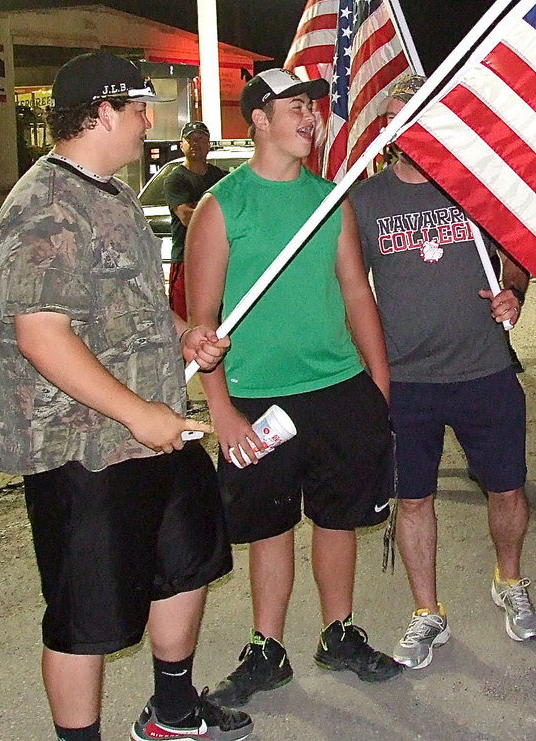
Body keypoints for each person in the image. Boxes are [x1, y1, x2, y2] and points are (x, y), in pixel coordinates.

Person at [0, 52, 249, 741]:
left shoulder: (115, 195)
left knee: (186, 565)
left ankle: (173, 712)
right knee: (86, 617)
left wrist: (184, 337)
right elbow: (42, 337)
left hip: (156, 431)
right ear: (102, 113)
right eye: (138, 108)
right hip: (83, 451)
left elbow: (133, 302)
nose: (148, 121)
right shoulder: (44, 207)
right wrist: (138, 415)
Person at [187, 68, 402, 708]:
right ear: (259, 119)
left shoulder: (330, 200)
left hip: (338, 387)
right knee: (270, 524)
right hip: (257, 397)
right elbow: (202, 324)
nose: (310, 118)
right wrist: (221, 411)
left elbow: (356, 291)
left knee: (338, 518)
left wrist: (379, 385)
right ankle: (267, 649)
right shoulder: (222, 206)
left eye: (312, 107)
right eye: (296, 107)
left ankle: (339, 633)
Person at [349, 73, 536, 671]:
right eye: (398, 117)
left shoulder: (474, 187)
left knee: (507, 489)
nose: (408, 127)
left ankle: (509, 580)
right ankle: (427, 611)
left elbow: (518, 257)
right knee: (413, 500)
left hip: (484, 369)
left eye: (418, 114)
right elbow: (349, 288)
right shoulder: (364, 201)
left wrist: (513, 293)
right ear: (388, 129)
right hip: (405, 381)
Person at [164, 121, 227, 319]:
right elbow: (185, 217)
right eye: (190, 139)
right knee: (188, 321)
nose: (195, 143)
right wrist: (219, 214)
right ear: (181, 145)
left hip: (218, 259)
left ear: (209, 144)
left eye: (200, 138)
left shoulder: (221, 178)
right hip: (186, 260)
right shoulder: (176, 179)